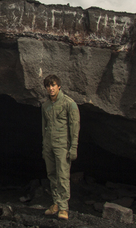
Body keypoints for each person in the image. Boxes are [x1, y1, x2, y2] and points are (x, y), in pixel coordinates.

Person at [41, 74, 80, 220]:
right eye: (48, 86)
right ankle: (56, 203)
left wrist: (73, 147)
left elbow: (74, 127)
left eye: (53, 85)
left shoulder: (69, 104)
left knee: (63, 175)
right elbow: (44, 128)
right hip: (49, 145)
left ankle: (64, 208)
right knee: (52, 175)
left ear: (59, 86)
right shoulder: (45, 106)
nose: (51, 88)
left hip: (62, 145)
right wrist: (44, 146)